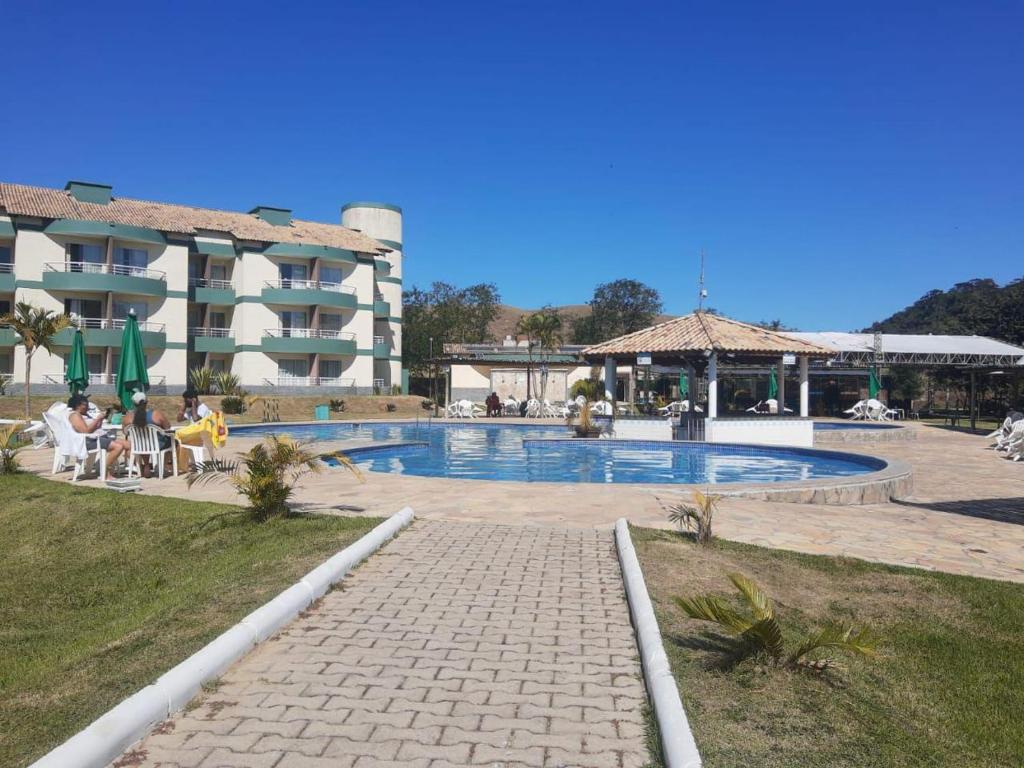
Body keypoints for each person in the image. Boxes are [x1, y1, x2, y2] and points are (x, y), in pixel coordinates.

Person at [66, 393, 130, 474]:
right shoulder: (75, 415)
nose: (87, 407)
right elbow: (86, 431)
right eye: (85, 405)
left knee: (128, 444)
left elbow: (95, 427)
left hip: (99, 438)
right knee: (118, 447)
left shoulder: (85, 414)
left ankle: (139, 466)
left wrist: (100, 419)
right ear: (77, 406)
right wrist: (97, 419)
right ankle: (106, 472)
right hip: (89, 441)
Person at [123, 391, 172, 477]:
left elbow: (125, 432)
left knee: (128, 450)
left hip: (139, 445)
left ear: (133, 403)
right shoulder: (156, 414)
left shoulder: (128, 417)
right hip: (157, 445)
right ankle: (161, 466)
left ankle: (143, 467)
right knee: (174, 442)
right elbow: (167, 427)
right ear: (146, 402)